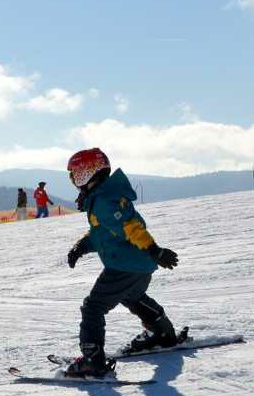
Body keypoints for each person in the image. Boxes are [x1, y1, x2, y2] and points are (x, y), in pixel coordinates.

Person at [63, 148, 182, 378]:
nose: (75, 182)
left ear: (90, 173)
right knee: (132, 296)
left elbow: (131, 228)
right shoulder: (104, 197)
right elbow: (104, 234)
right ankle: (162, 333)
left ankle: (92, 360)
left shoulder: (105, 201)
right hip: (139, 265)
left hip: (125, 265)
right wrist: (82, 246)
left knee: (93, 308)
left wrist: (153, 249)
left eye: (76, 175)